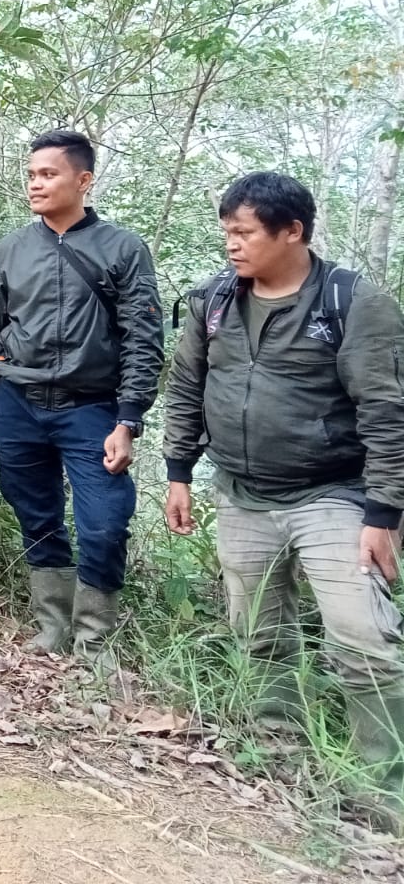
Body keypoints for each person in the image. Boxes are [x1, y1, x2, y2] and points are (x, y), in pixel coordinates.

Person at [165, 172, 404, 824]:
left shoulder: (353, 303)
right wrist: (178, 471)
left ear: (292, 230)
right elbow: (187, 387)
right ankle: (277, 753)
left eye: (243, 233)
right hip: (242, 495)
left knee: (362, 637)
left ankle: (381, 787)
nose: (232, 247)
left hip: (335, 495)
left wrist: (383, 513)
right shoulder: (213, 301)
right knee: (260, 633)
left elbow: (386, 413)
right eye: (226, 234)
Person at [0, 129, 162, 664]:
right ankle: (52, 624)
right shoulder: (9, 249)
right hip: (18, 404)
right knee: (36, 514)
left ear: (84, 180)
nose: (35, 183)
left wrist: (129, 420)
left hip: (93, 408)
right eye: (31, 174)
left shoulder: (122, 249)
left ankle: (94, 637)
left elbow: (143, 339)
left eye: (48, 174)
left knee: (104, 521)